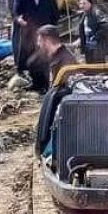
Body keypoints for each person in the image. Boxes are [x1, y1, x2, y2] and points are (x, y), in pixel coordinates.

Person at [34, 26, 80, 154]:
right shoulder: (55, 57)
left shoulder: (67, 61)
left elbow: (68, 91)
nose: (38, 43)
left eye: (39, 40)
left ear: (46, 40)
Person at [16, 0, 62, 78]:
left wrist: (51, 31)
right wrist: (19, 20)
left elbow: (55, 16)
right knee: (26, 51)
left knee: (42, 55)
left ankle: (42, 78)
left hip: (44, 31)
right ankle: (22, 72)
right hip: (29, 30)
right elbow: (17, 13)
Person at [75, 0, 108, 64]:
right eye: (80, 4)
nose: (82, 6)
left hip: (97, 45)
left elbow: (105, 26)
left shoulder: (96, 13)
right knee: (90, 66)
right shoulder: (84, 15)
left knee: (99, 66)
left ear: (90, 4)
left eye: (84, 3)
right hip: (88, 45)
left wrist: (95, 37)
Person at [7, 0, 29, 71]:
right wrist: (18, 19)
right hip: (17, 23)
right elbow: (12, 11)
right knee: (16, 43)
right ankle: (17, 64)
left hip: (28, 23)